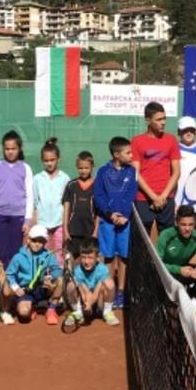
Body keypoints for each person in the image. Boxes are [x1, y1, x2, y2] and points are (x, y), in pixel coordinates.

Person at [94, 136, 138, 310]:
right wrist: (110, 213)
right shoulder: (103, 172)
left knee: (124, 256)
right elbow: (99, 196)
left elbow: (131, 194)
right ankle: (109, 289)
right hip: (107, 221)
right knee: (109, 256)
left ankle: (121, 291)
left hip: (125, 221)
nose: (131, 155)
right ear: (117, 154)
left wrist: (125, 215)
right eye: (128, 152)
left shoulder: (131, 171)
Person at [0, 130, 34, 269]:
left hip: (18, 215)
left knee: (15, 252)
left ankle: (12, 283)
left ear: (19, 149)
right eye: (7, 149)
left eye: (13, 148)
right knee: (1, 251)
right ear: (3, 149)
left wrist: (27, 220)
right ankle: (2, 281)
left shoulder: (26, 168)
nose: (10, 152)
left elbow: (29, 195)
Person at [131, 101, 181, 236]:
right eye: (159, 119)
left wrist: (163, 197)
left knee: (167, 242)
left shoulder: (171, 140)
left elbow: (176, 172)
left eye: (164, 119)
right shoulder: (136, 141)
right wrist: (153, 197)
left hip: (166, 199)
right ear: (148, 120)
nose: (163, 122)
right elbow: (135, 172)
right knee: (141, 242)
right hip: (143, 199)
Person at [156, 206, 196, 313]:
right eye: (183, 225)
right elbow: (157, 263)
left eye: (191, 225)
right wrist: (178, 269)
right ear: (177, 223)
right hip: (165, 274)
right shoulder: (166, 235)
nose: (187, 229)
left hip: (184, 272)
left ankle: (191, 297)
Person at [6, 225, 63, 325]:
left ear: (45, 243)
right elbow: (9, 274)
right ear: (28, 240)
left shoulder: (49, 255)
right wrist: (16, 288)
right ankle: (32, 308)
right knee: (23, 313)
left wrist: (50, 277)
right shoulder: (18, 257)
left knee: (60, 280)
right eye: (34, 240)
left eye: (41, 241)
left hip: (43, 288)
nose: (37, 244)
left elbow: (57, 270)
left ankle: (51, 309)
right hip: (25, 291)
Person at [65, 238, 119, 327]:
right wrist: (86, 304)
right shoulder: (78, 271)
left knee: (110, 283)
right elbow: (84, 291)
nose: (86, 261)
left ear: (97, 258)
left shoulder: (103, 269)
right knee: (71, 285)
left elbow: (96, 292)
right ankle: (77, 312)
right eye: (83, 257)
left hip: (99, 301)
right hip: (85, 299)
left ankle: (107, 312)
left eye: (90, 258)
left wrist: (90, 304)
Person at [33, 138, 70, 267]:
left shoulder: (65, 178)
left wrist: (65, 224)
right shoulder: (37, 179)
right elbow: (35, 203)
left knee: (60, 253)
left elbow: (67, 204)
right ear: (42, 160)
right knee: (43, 253)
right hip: (42, 223)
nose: (49, 163)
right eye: (46, 160)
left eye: (52, 160)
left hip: (59, 222)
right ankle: (44, 281)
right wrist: (36, 223)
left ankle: (59, 280)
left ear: (58, 159)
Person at [61, 151, 97, 259]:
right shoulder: (71, 185)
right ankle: (69, 275)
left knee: (87, 259)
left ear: (92, 167)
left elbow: (99, 212)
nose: (83, 170)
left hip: (89, 231)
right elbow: (66, 210)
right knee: (69, 259)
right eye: (81, 168)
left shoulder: (97, 185)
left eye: (86, 168)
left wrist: (95, 232)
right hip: (73, 232)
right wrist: (66, 231)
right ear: (77, 167)